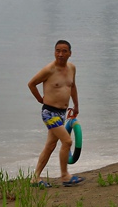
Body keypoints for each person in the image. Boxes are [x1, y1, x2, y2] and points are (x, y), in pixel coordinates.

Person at [28, 40, 84, 187]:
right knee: (67, 141)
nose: (60, 54)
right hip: (49, 113)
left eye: (64, 51)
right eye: (57, 50)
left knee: (51, 145)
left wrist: (76, 105)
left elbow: (72, 87)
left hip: (62, 113)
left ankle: (35, 178)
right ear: (54, 52)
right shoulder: (49, 70)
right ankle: (65, 176)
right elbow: (31, 84)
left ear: (70, 53)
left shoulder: (72, 68)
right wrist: (40, 99)